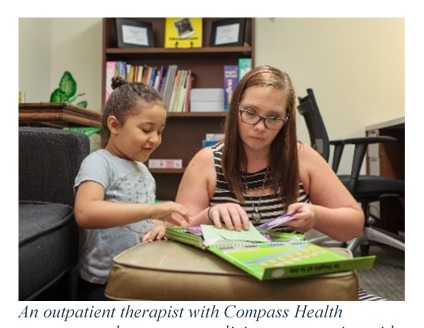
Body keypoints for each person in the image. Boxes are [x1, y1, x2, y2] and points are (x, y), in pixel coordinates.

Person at [174, 65, 364, 242]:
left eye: (273, 118)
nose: (259, 127)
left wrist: (316, 216)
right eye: (250, 112)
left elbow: (354, 225)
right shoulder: (206, 161)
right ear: (235, 109)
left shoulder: (302, 157)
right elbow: (176, 233)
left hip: (283, 268)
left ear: (286, 120)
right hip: (226, 270)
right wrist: (207, 215)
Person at [74, 77, 191, 300]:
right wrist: (154, 211)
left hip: (139, 272)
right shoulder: (99, 162)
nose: (155, 139)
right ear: (114, 125)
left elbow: (146, 217)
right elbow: (85, 212)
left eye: (160, 131)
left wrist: (158, 224)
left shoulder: (143, 170)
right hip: (104, 283)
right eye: (147, 129)